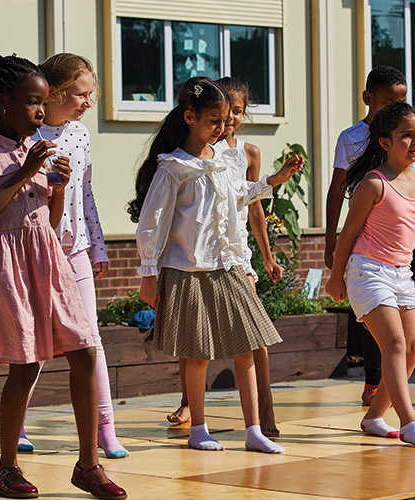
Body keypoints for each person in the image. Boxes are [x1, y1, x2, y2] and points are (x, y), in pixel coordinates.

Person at [0, 50, 126, 500]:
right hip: (4, 265)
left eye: (44, 101)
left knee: (85, 349)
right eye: (33, 101)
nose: (40, 110)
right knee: (26, 364)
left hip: (45, 256)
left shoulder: (36, 149)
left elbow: (46, 223)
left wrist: (58, 188)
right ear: (2, 100)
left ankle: (88, 464)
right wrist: (27, 172)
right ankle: (7, 469)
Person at [128, 77, 304, 453]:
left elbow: (238, 195)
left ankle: (253, 429)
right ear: (189, 117)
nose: (223, 128)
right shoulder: (173, 167)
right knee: (198, 354)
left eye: (226, 121)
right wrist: (149, 273)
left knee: (247, 345)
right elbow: (153, 223)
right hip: (189, 270)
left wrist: (274, 180)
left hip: (229, 266)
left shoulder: (224, 160)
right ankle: (199, 429)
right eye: (214, 120)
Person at [324, 65, 415, 409]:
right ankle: (381, 391)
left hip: (407, 247)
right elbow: (338, 193)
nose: (396, 107)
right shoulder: (358, 147)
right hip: (371, 250)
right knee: (387, 328)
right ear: (369, 99)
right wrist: (333, 257)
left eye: (402, 101)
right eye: (389, 102)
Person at [14, 53, 128, 460]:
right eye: (81, 94)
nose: (86, 103)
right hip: (34, 252)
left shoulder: (80, 134)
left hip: (75, 249)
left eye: (90, 96)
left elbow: (87, 193)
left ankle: (106, 429)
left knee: (89, 339)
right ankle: (19, 426)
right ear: (56, 92)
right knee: (33, 343)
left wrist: (97, 245)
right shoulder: (25, 134)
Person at [165, 76, 283, 438]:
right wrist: (150, 270)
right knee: (196, 343)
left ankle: (261, 419)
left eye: (235, 112)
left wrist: (264, 255)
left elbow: (250, 203)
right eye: (220, 112)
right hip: (197, 260)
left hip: (234, 257)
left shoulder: (242, 154)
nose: (228, 119)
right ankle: (194, 410)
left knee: (252, 338)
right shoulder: (180, 161)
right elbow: (159, 219)